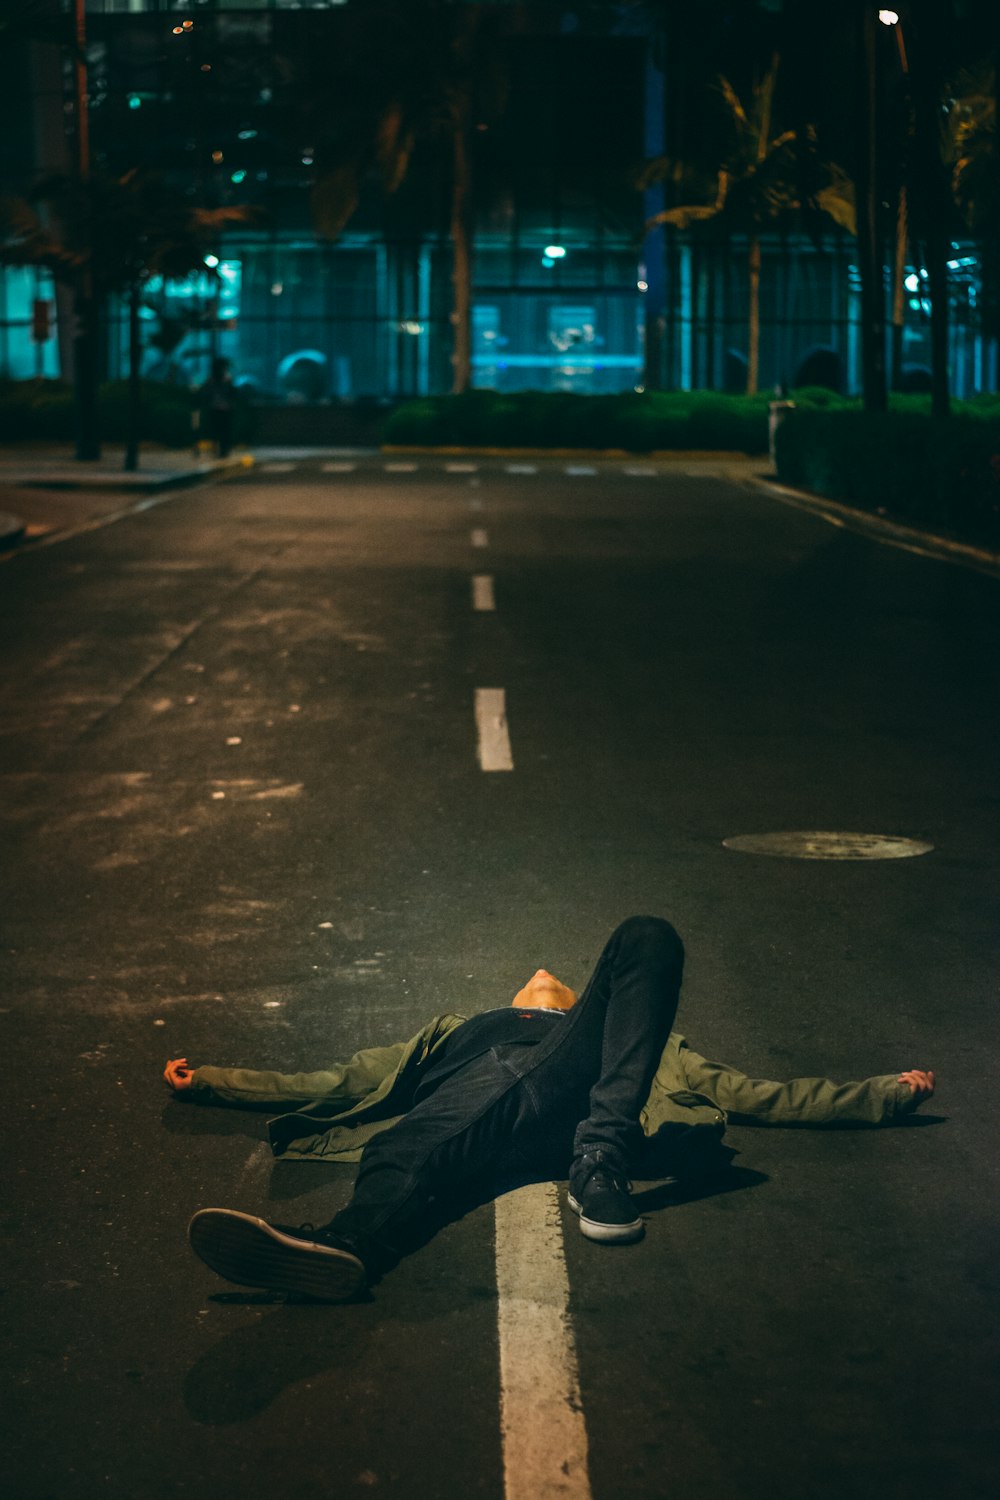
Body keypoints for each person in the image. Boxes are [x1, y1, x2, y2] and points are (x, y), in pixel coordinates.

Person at [166, 916, 935, 1304]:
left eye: (556, 984)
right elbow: (330, 1082)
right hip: (481, 1105)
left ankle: (596, 1160)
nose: (540, 975)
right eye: (531, 983)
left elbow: (758, 1095)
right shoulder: (453, 1034)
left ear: (582, 1004)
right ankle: (348, 1248)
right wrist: (211, 1080)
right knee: (426, 1141)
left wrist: (884, 1095)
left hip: (570, 1102)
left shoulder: (631, 1044)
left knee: (647, 936)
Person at [198, 356, 236, 458]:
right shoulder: (217, 379)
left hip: (220, 408)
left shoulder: (223, 379)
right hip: (218, 408)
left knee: (220, 430)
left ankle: (222, 450)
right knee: (219, 430)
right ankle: (220, 450)